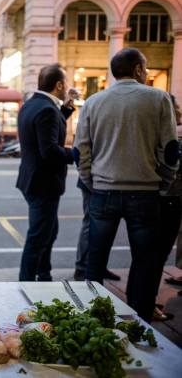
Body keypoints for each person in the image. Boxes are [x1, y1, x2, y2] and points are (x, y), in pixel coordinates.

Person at [74, 47, 178, 322]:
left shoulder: (94, 102)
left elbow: (80, 149)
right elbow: (170, 148)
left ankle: (93, 316)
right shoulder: (158, 99)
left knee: (95, 260)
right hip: (145, 193)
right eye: (144, 68)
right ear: (136, 70)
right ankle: (140, 320)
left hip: (103, 192)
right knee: (145, 261)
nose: (145, 73)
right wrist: (165, 182)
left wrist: (90, 180)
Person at [16, 64, 76, 281]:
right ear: (59, 85)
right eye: (65, 83)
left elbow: (47, 127)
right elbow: (49, 151)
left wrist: (67, 110)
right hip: (44, 183)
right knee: (39, 237)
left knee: (48, 233)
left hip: (32, 180)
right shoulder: (47, 109)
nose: (67, 86)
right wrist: (75, 154)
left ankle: (44, 273)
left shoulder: (32, 104)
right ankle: (27, 281)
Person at [153, 94, 182, 321]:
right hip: (170, 197)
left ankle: (143, 301)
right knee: (156, 257)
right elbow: (172, 162)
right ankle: (148, 304)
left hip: (156, 196)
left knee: (147, 256)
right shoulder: (172, 133)